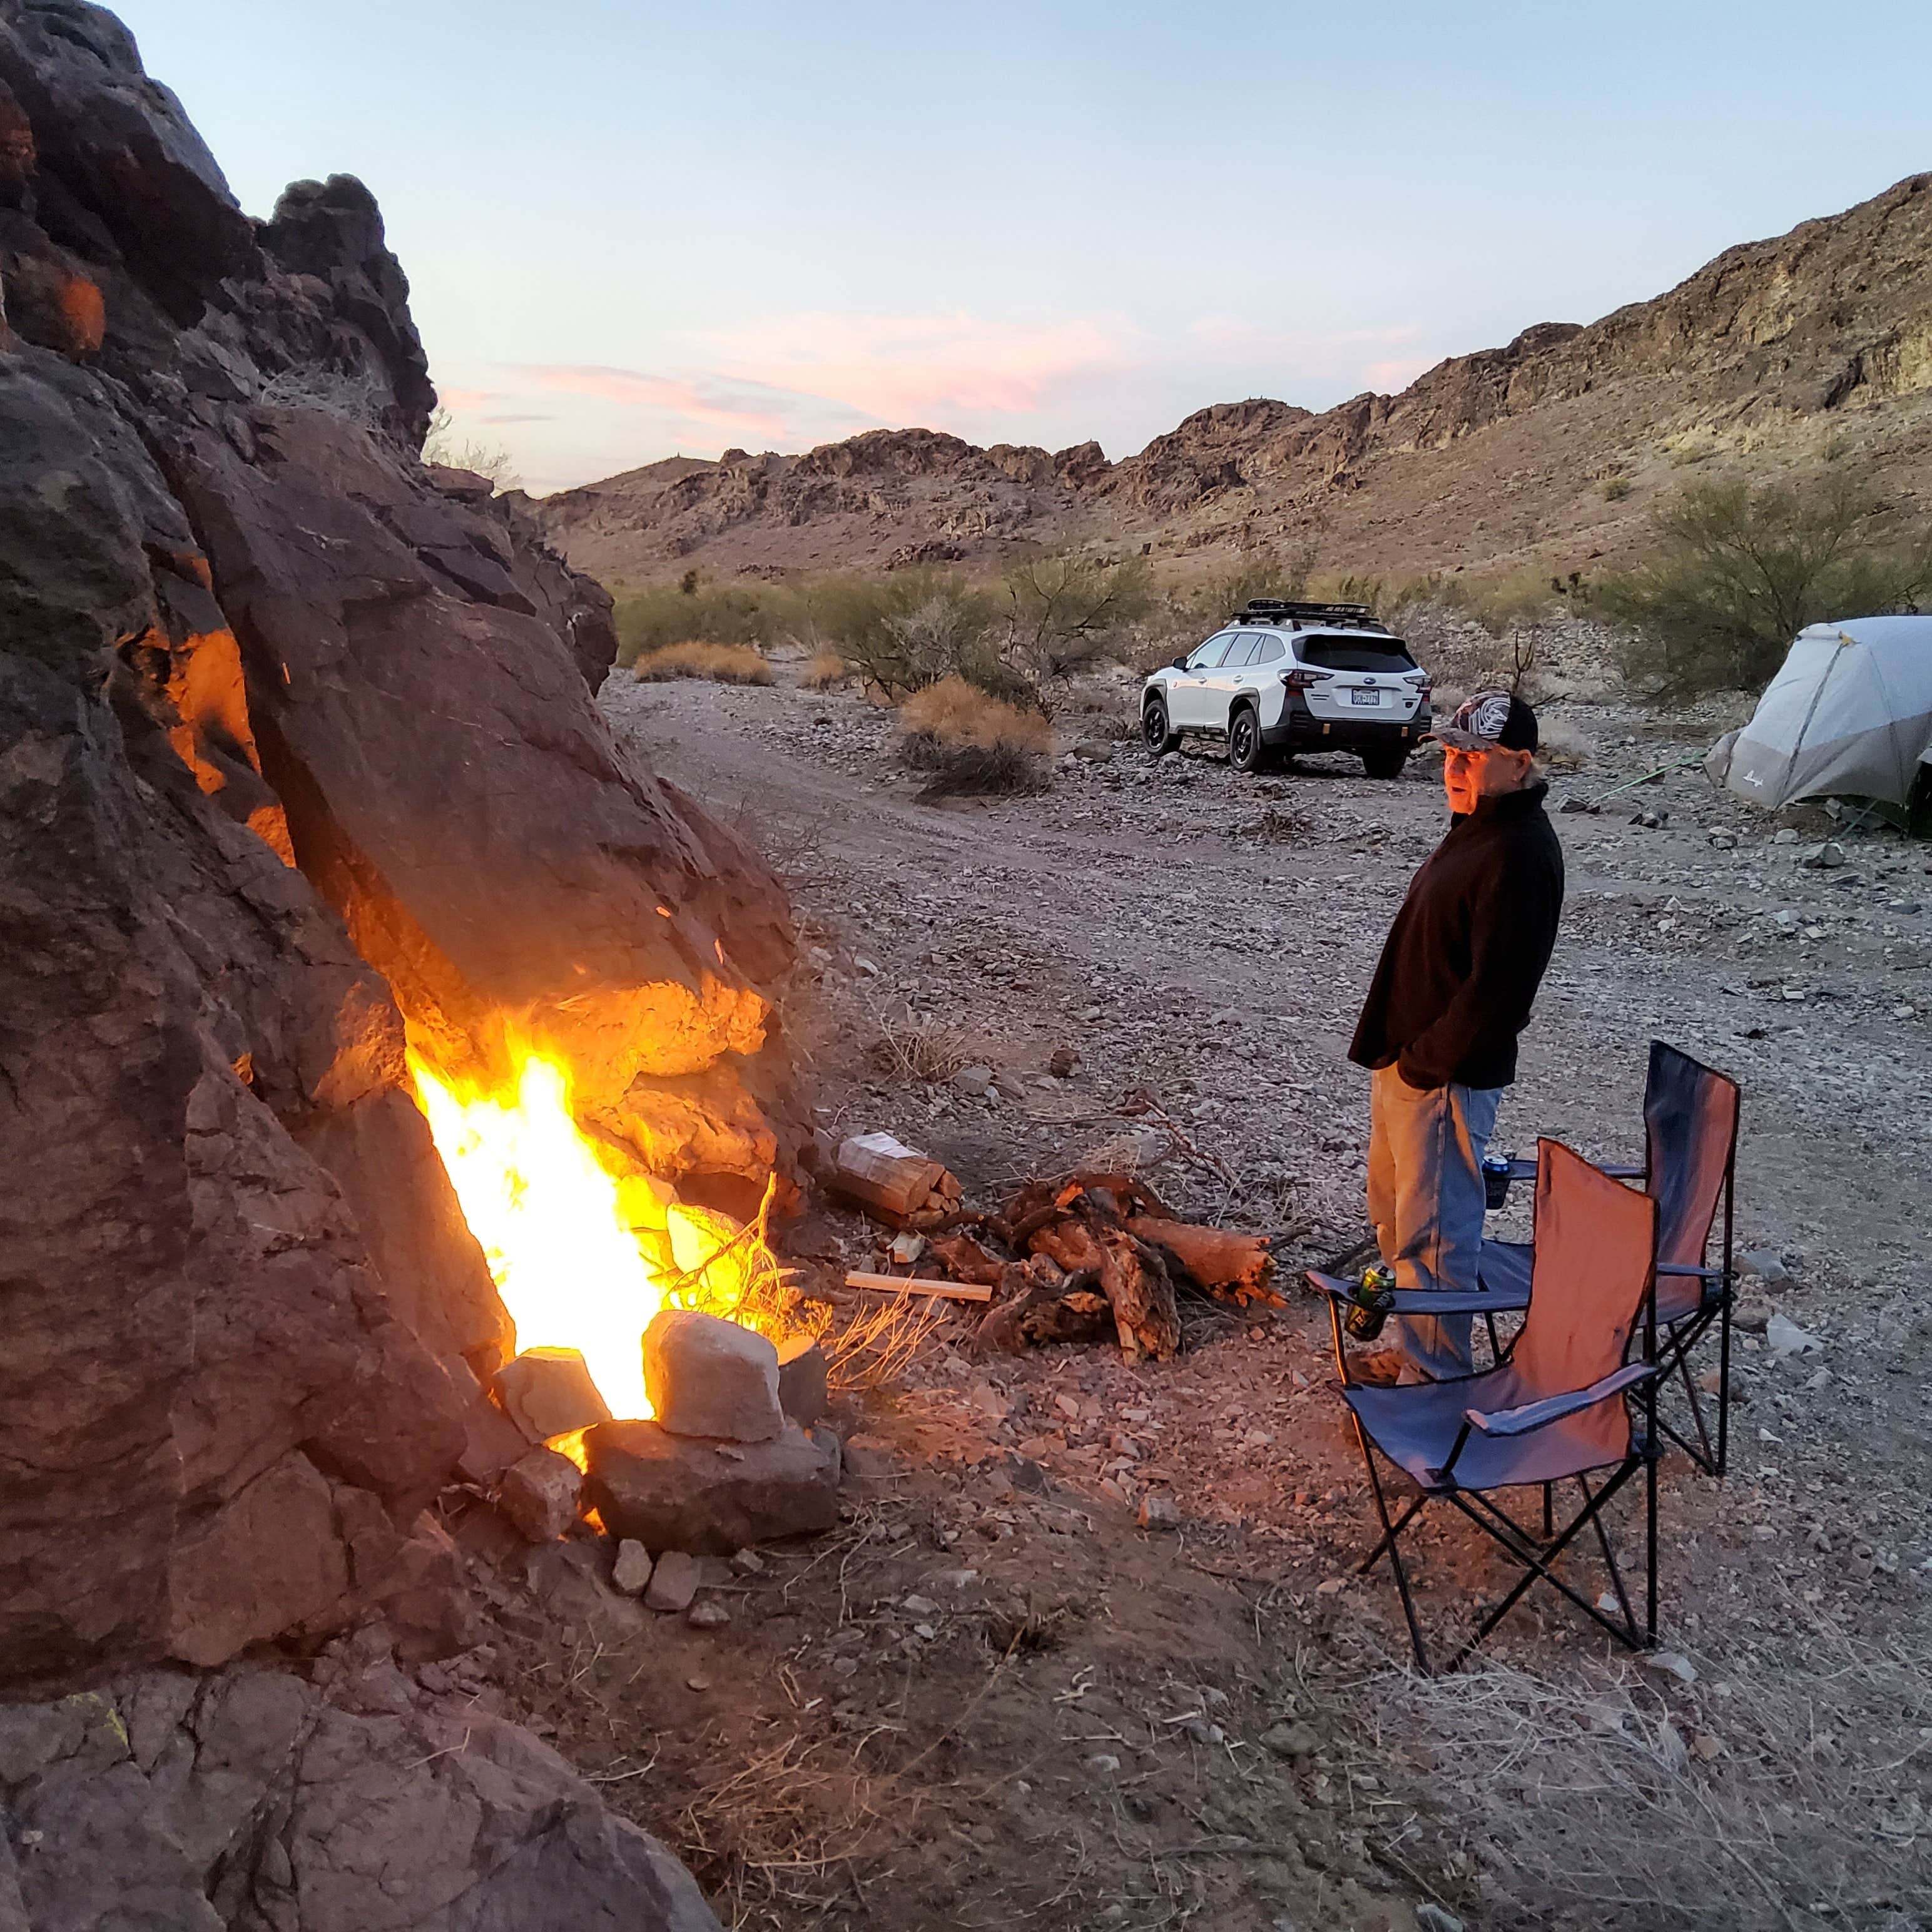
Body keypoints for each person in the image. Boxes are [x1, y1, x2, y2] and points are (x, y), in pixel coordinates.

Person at [1346, 688, 1565, 1384]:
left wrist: (1425, 1064)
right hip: (1409, 1061)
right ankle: (1412, 1354)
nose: (1455, 767)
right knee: (1398, 1217)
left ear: (1519, 762)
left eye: (1472, 756)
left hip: (1445, 1076)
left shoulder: (1519, 851)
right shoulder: (1478, 825)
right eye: (1449, 753)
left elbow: (1498, 995)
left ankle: (1433, 1385)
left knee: (1435, 1234)